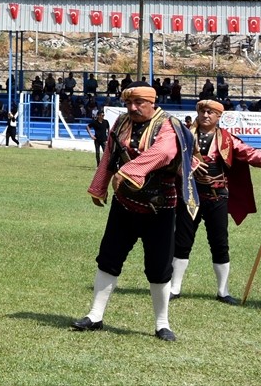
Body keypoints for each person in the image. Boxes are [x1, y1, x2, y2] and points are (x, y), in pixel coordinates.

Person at [71, 84, 195, 342]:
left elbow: (163, 153)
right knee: (108, 257)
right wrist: (99, 187)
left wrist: (129, 171)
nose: (132, 108)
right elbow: (109, 155)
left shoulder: (168, 125)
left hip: (160, 208)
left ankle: (162, 323)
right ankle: (95, 315)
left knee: (159, 267)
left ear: (152, 101)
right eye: (129, 103)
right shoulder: (121, 122)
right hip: (124, 204)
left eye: (138, 102)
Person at [169, 99, 261, 304]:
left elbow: (252, 154)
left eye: (211, 112)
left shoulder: (228, 140)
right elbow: (169, 157)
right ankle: (174, 288)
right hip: (190, 196)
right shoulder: (183, 136)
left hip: (217, 197)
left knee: (220, 244)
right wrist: (184, 168)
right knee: (182, 242)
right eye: (202, 111)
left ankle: (223, 291)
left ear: (219, 116)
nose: (206, 115)